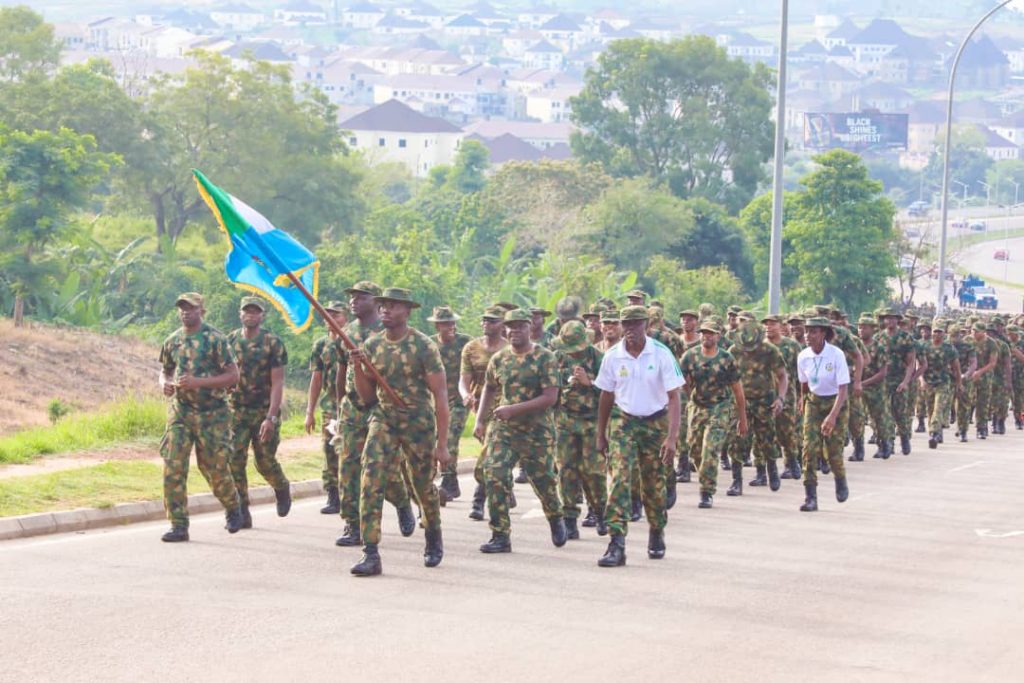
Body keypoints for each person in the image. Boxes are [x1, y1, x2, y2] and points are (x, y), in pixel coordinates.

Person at [348, 288, 451, 577]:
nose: (385, 311)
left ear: (407, 311)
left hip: (418, 421)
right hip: (384, 419)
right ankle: (370, 552)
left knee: (422, 485)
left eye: (392, 306)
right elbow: (368, 397)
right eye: (382, 306)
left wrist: (442, 445)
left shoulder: (423, 346)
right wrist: (358, 368)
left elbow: (440, 396)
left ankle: (433, 533)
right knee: (370, 478)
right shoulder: (372, 345)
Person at [594, 306, 683, 567]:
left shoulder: (661, 353)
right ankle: (616, 543)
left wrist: (672, 438)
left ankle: (656, 529)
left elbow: (674, 398)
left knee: (654, 484)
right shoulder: (613, 356)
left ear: (646, 325)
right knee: (619, 479)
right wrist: (601, 434)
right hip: (624, 422)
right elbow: (606, 396)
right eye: (626, 324)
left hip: (656, 423)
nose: (630, 329)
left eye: (636, 324)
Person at [474, 309, 567, 554]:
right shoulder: (500, 358)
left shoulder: (544, 357)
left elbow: (550, 397)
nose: (514, 331)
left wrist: (513, 409)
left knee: (544, 479)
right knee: (493, 473)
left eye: (520, 326)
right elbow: (489, 388)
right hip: (505, 430)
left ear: (529, 328)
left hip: (537, 431)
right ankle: (500, 535)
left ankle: (555, 515)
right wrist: (480, 420)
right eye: (510, 327)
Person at [333, 282, 414, 548]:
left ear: (376, 303)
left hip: (380, 409)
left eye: (361, 297)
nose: (354, 301)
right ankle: (352, 525)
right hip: (352, 409)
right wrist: (339, 406)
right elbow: (341, 371)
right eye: (352, 297)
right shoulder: (346, 332)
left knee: (383, 468)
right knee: (348, 467)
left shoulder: (386, 331)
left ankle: (402, 502)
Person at [158, 292, 243, 542]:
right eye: (182, 308)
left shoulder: (215, 339)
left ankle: (232, 505)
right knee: (173, 464)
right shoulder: (172, 340)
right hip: (181, 411)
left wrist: (198, 382)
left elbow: (233, 376)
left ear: (201, 311)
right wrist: (165, 383)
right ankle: (178, 525)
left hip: (212, 414)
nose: (185, 312)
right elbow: (165, 370)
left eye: (191, 308)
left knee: (214, 468)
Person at [226, 296, 291, 529]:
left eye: (256, 311)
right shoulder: (230, 341)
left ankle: (281, 487)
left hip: (264, 410)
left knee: (264, 461)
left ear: (263, 316)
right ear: (240, 313)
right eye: (247, 311)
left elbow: (278, 382)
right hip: (237, 411)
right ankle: (242, 511)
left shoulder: (273, 343)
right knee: (234, 461)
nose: (251, 315)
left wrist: (271, 417)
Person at [680, 319, 747, 510]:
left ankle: (706, 492)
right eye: (703, 333)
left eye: (710, 333)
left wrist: (742, 420)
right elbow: (680, 378)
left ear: (718, 336)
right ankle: (705, 475)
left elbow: (738, 390)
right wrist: (689, 394)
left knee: (710, 449)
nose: (706, 336)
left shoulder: (726, 359)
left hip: (720, 407)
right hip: (698, 406)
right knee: (694, 448)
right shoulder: (690, 356)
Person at [553, 320, 608, 538]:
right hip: (565, 421)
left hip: (592, 422)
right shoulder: (557, 357)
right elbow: (549, 385)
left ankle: (600, 512)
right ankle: (569, 518)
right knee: (566, 470)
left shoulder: (599, 358)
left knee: (593, 472)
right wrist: (564, 380)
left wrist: (589, 382)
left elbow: (612, 391)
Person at [727, 318, 787, 495]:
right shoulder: (734, 351)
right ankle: (736, 481)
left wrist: (780, 399)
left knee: (767, 439)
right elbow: (727, 378)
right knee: (736, 441)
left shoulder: (770, 351)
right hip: (739, 403)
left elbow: (782, 376)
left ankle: (771, 469)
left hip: (764, 401)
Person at [796, 317, 850, 512]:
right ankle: (811, 496)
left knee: (833, 450)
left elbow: (843, 388)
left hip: (837, 402)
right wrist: (802, 400)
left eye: (813, 331)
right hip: (814, 402)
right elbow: (803, 383)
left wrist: (833, 416)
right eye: (806, 331)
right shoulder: (803, 356)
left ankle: (840, 478)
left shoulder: (836, 355)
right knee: (808, 449)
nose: (808, 336)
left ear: (824, 333)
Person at [460, 306, 508, 521]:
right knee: (493, 457)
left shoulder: (510, 349)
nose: (487, 324)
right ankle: (504, 488)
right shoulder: (471, 348)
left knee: (489, 456)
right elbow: (464, 379)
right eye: (485, 320)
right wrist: (465, 394)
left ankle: (478, 501)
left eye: (493, 320)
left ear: (502, 325)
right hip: (480, 406)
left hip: (505, 410)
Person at [305, 300, 347, 514]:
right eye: (328, 314)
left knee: (349, 451)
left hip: (352, 404)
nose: (332, 318)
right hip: (330, 405)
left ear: (345, 317)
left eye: (337, 315)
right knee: (329, 448)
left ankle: (350, 493)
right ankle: (333, 494)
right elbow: (316, 379)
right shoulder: (321, 345)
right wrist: (309, 411)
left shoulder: (352, 340)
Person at [428, 306, 471, 504]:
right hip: (437, 401)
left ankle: (448, 481)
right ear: (437, 325)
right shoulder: (429, 345)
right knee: (434, 439)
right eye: (446, 323)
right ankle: (448, 479)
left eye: (453, 322)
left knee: (450, 437)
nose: (451, 326)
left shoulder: (465, 343)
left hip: (460, 399)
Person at [764, 314, 804, 478]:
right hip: (765, 395)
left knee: (786, 431)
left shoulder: (792, 346)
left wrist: (803, 396)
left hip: (787, 394)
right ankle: (767, 468)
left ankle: (792, 462)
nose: (768, 327)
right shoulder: (761, 347)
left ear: (781, 326)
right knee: (766, 432)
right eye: (766, 324)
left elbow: (803, 373)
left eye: (772, 324)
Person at [879, 308, 917, 456]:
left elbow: (911, 362)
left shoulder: (906, 337)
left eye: (893, 318)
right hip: (883, 381)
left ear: (897, 320)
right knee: (885, 413)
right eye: (887, 318)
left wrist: (906, 382)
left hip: (900, 379)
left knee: (900, 413)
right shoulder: (879, 337)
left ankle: (905, 438)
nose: (890, 321)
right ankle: (889, 443)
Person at [855, 315, 892, 460]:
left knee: (879, 419)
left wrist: (863, 383)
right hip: (858, 388)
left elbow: (882, 373)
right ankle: (858, 448)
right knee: (857, 419)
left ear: (872, 329)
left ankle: (884, 445)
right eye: (859, 327)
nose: (861, 330)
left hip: (875, 389)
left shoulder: (879, 347)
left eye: (865, 327)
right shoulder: (855, 346)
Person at [920, 322, 961, 449]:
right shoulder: (924, 346)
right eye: (935, 331)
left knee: (938, 408)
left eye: (940, 332)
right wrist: (921, 380)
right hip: (928, 383)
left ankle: (934, 434)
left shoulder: (949, 348)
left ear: (944, 334)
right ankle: (937, 432)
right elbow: (919, 365)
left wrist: (959, 383)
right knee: (930, 409)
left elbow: (956, 368)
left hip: (943, 383)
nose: (937, 334)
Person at [972, 322, 1000, 440]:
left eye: (977, 331)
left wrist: (980, 372)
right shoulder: (968, 340)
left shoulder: (991, 344)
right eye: (973, 330)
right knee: (967, 401)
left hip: (985, 377)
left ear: (983, 332)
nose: (974, 333)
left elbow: (993, 363)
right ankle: (962, 428)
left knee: (982, 403)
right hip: (970, 375)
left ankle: (981, 428)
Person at [951, 325, 978, 443]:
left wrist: (966, 375)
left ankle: (963, 430)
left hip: (963, 378)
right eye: (952, 336)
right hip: (948, 378)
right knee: (944, 404)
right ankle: (937, 431)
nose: (954, 338)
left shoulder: (967, 347)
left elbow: (973, 363)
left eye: (956, 336)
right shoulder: (945, 346)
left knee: (964, 405)